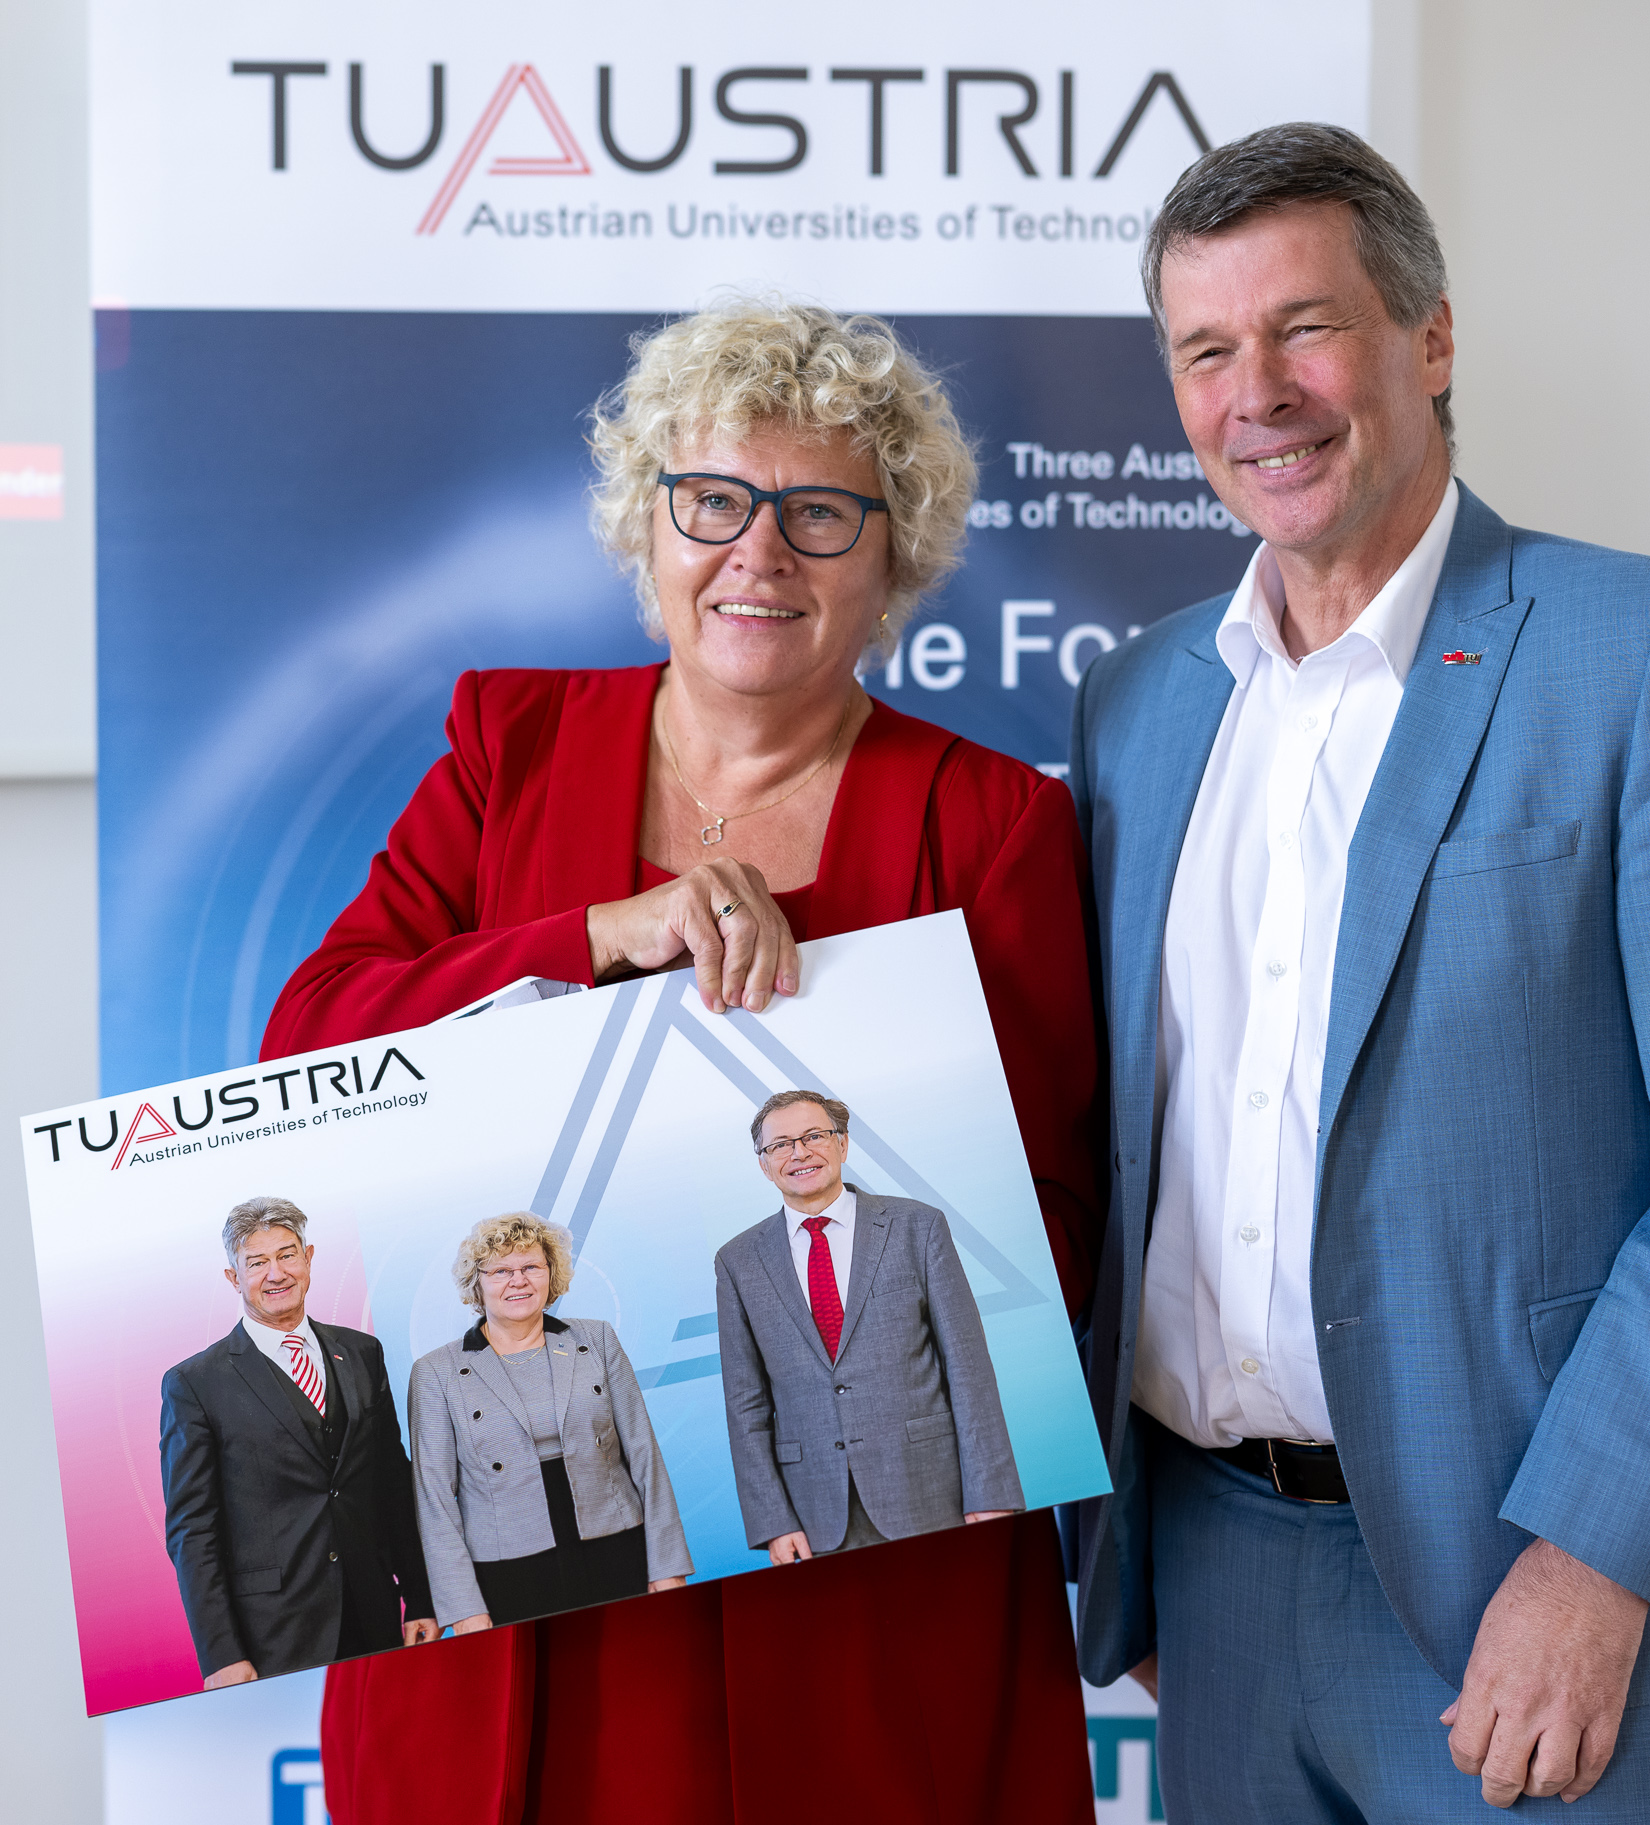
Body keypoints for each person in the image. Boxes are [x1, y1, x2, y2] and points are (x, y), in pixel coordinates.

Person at [1065, 124, 1650, 1820]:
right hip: (1210, 1575)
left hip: (1533, 1586)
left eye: (1305, 327)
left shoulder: (1648, 648)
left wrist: (1589, 1558)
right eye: (1205, 350)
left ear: (1428, 339)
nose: (1255, 394)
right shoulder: (1135, 705)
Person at [262, 297, 1101, 1825]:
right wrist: (597, 935)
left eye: (820, 514)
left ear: (892, 559)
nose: (757, 553)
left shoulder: (990, 824)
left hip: (851, 1589)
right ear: (646, 528)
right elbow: (313, 1039)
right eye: (712, 500)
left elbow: (1053, 1230)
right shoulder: (508, 748)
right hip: (525, 1601)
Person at [715, 1090, 1021, 1560]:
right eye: (780, 1145)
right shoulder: (738, 1261)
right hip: (813, 1514)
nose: (799, 1153)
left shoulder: (918, 1226)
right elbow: (745, 1405)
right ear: (763, 1163)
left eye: (814, 1136)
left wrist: (990, 1493)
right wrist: (773, 1522)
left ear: (842, 1143)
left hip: (930, 1491)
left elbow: (968, 1368)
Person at [158, 1197, 436, 1686]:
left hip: (375, 1612)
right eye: (257, 1262)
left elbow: (392, 1483)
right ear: (234, 1277)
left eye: (287, 1255)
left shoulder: (362, 1352)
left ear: (308, 1258)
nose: (276, 1273)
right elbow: (192, 1529)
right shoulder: (195, 1383)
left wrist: (419, 1597)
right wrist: (221, 1653)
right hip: (273, 1632)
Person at [410, 1212, 693, 1630]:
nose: (518, 1281)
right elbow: (433, 1499)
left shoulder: (597, 1339)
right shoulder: (436, 1372)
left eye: (531, 1267)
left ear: (551, 1274)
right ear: (477, 1282)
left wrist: (667, 1566)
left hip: (616, 1546)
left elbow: (645, 1455)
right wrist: (464, 1608)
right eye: (501, 1271)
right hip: (508, 1569)